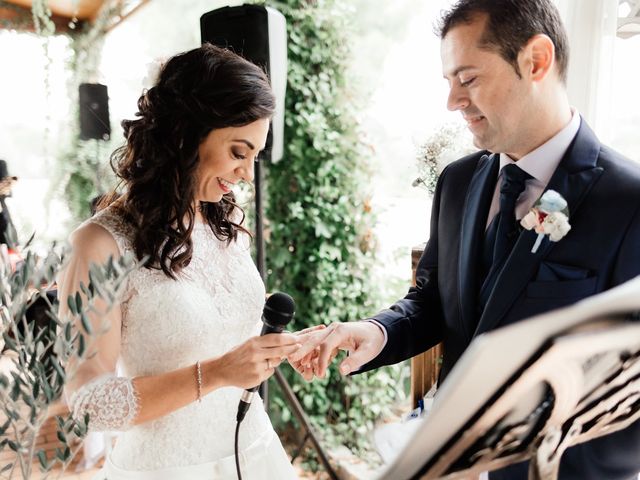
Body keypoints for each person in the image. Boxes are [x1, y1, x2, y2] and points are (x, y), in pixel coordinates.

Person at [290, 1, 640, 479]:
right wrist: (378, 332)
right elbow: (434, 301)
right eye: (449, 82)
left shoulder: (629, 201)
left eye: (468, 79)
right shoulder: (456, 183)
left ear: (536, 60)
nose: (452, 101)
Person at [58, 44, 301, 479]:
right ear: (187, 134)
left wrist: (285, 348)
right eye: (238, 152)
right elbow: (87, 402)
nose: (247, 173)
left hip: (252, 452)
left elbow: (227, 332)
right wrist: (217, 373)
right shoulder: (99, 244)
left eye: (255, 156)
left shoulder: (223, 226)